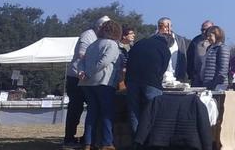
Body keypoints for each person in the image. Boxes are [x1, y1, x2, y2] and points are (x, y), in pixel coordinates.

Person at [64, 15, 110, 148]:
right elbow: (81, 54)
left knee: (92, 108)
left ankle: (87, 138)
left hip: (88, 77)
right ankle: (69, 139)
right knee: (76, 108)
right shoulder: (88, 35)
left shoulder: (99, 38)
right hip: (77, 77)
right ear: (100, 27)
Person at [78, 20, 123, 150]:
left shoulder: (92, 44)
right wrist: (89, 73)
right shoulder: (112, 45)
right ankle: (107, 142)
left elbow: (82, 61)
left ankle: (88, 142)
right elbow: (104, 62)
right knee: (106, 113)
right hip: (103, 81)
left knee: (92, 112)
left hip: (86, 84)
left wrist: (82, 72)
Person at [124, 33, 170, 133]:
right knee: (153, 111)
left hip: (132, 80)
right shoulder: (164, 48)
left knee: (134, 110)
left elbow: (128, 60)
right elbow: (163, 69)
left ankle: (137, 138)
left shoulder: (139, 43)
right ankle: (151, 138)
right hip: (151, 82)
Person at [156, 17, 190, 82]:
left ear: (171, 27)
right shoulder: (153, 40)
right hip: (158, 78)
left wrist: (182, 76)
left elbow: (183, 59)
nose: (164, 29)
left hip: (176, 77)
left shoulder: (179, 40)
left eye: (166, 26)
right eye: (160, 26)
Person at [196, 25, 230, 89]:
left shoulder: (222, 48)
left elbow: (223, 70)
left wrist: (214, 85)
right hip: (207, 84)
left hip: (217, 87)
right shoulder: (209, 48)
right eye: (207, 36)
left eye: (210, 36)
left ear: (217, 35)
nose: (208, 38)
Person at [187, 19, 214, 86]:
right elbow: (189, 58)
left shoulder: (217, 41)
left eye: (206, 29)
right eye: (202, 30)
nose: (204, 31)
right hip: (197, 78)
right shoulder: (195, 41)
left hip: (212, 77)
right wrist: (191, 75)